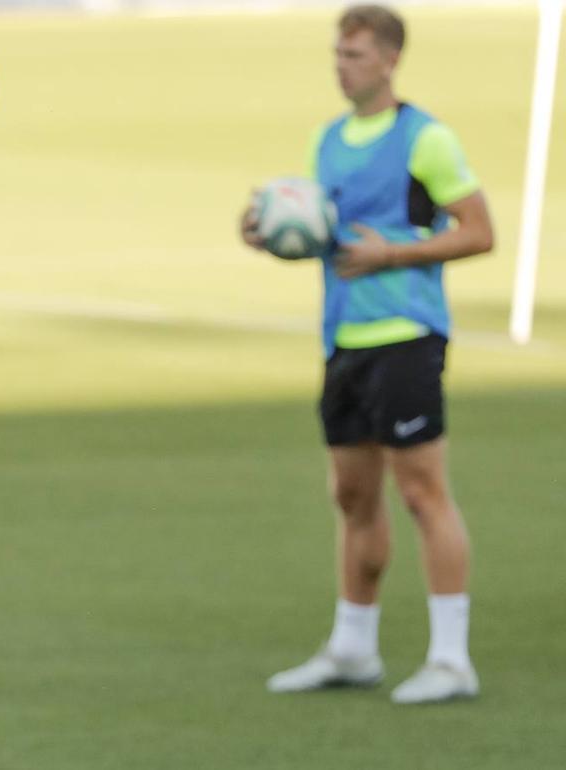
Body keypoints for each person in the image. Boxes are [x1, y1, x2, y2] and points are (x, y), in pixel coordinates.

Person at [240, 4, 494, 704]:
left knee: (422, 493)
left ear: (388, 59)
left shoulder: (426, 139)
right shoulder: (328, 141)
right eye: (337, 52)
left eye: (353, 54)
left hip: (407, 337)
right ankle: (353, 648)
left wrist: (394, 254)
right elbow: (329, 235)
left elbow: (478, 232)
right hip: (343, 339)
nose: (341, 64)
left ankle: (450, 659)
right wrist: (269, 231)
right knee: (352, 497)